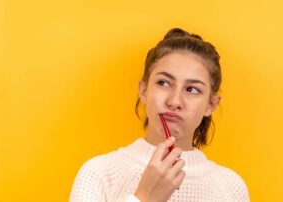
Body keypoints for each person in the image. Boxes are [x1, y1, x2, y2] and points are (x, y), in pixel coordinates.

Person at [69, 28, 250, 202]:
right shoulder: (98, 173)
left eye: (192, 89)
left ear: (211, 105)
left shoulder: (231, 188)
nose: (175, 101)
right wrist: (145, 198)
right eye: (163, 83)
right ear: (144, 90)